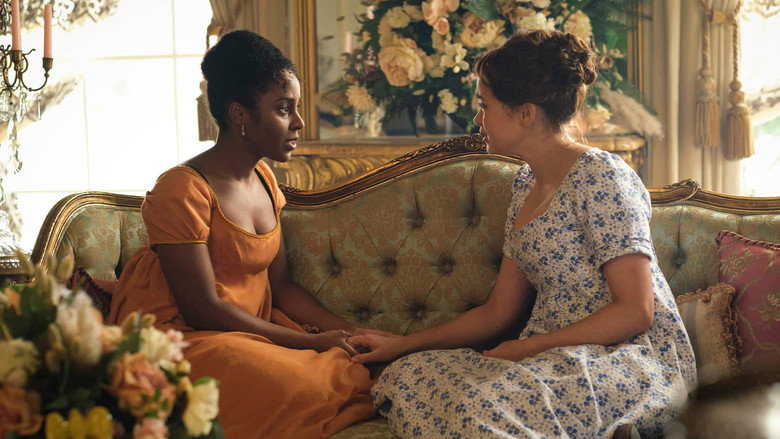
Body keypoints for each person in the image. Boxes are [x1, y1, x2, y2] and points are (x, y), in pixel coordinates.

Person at [348, 29, 697, 438]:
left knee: (484, 408)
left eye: (485, 106)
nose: (478, 120)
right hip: (548, 356)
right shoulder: (526, 183)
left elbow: (635, 311)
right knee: (408, 374)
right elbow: (498, 312)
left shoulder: (603, 177)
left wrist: (528, 347)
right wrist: (402, 344)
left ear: (526, 113)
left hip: (623, 358)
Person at [107, 30, 379, 439]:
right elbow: (203, 310)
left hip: (246, 333)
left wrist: (348, 332)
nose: (299, 122)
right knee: (301, 383)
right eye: (284, 109)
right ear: (240, 115)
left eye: (296, 107)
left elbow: (282, 289)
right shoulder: (182, 188)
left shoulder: (265, 179)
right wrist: (312, 343)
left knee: (350, 365)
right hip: (185, 339)